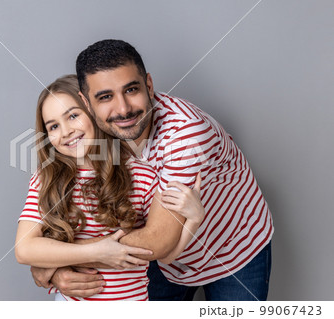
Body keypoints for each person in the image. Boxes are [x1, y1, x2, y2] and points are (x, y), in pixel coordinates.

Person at [31, 40, 274, 301]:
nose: (123, 109)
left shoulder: (187, 136)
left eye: (131, 89)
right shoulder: (91, 131)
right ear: (86, 102)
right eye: (105, 97)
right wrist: (54, 262)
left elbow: (158, 240)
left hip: (230, 247)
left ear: (148, 85)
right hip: (158, 259)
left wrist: (53, 258)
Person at [15, 75, 205, 300]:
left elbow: (165, 255)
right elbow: (24, 249)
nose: (65, 131)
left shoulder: (141, 175)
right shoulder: (46, 178)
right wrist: (98, 252)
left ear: (94, 111)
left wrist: (194, 219)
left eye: (73, 116)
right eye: (53, 126)